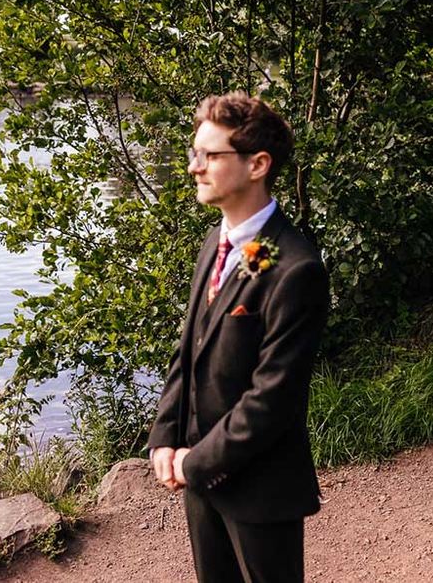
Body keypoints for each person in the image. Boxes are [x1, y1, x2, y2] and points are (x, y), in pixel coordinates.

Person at [147, 92, 329, 583]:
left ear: (257, 164)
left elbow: (272, 398)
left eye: (209, 156)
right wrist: (165, 437)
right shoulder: (217, 242)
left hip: (261, 490)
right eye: (194, 154)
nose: (194, 168)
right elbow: (189, 351)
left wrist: (195, 463)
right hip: (201, 482)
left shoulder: (296, 268)